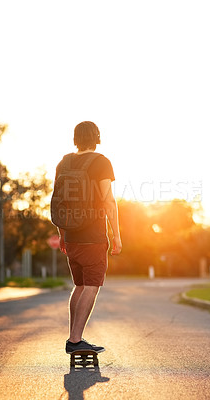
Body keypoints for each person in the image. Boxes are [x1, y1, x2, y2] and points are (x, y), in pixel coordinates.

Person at [53, 121, 122, 354]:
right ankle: (74, 340)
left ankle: (74, 337)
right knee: (91, 285)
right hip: (92, 236)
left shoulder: (64, 162)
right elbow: (108, 201)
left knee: (80, 285)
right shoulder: (101, 162)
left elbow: (59, 202)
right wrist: (117, 236)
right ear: (97, 137)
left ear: (75, 138)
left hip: (70, 236)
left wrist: (62, 235)